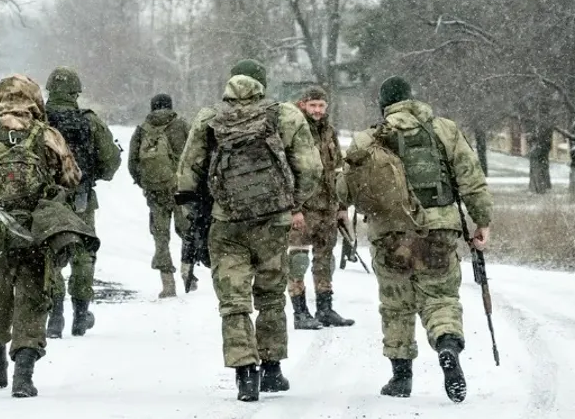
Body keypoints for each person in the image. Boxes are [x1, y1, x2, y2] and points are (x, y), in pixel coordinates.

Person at [175, 59, 322, 402]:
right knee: (271, 294)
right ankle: (272, 370)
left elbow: (186, 174)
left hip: (226, 223)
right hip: (273, 221)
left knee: (234, 300)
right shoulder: (284, 114)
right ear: (263, 84)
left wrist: (195, 217)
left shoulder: (209, 118)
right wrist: (289, 200)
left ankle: (244, 373)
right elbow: (312, 169)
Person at [0, 74, 97, 398]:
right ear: (34, 100)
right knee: (33, 297)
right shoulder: (46, 135)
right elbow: (72, 178)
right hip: (35, 230)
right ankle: (24, 374)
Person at [343, 76, 492, 403]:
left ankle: (401, 378)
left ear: (383, 105)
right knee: (441, 298)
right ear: (413, 98)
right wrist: (482, 221)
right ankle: (447, 344)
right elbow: (472, 179)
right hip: (439, 230)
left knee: (396, 304)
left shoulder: (369, 138)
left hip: (389, 234)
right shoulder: (444, 130)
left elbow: (345, 190)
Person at [43, 66, 122, 338]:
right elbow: (110, 164)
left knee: (49, 254)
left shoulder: (37, 121)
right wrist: (90, 174)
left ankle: (54, 316)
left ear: (49, 90)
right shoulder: (89, 121)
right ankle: (80, 314)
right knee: (83, 255)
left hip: (46, 201)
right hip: (81, 197)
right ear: (76, 92)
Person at [287, 86, 354, 330]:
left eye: (321, 105)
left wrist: (342, 206)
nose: (317, 110)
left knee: (325, 259)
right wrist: (294, 208)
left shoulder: (329, 131)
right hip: (302, 208)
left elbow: (338, 170)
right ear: (302, 104)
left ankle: (325, 309)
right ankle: (300, 312)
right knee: (298, 260)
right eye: (312, 105)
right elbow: (286, 173)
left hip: (328, 207)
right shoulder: (293, 130)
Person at [128, 93, 191, 297]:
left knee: (161, 236)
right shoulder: (182, 125)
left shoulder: (142, 130)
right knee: (187, 231)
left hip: (155, 192)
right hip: (181, 190)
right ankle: (188, 274)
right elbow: (195, 154)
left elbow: (132, 164)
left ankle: (168, 283)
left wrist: (146, 183)